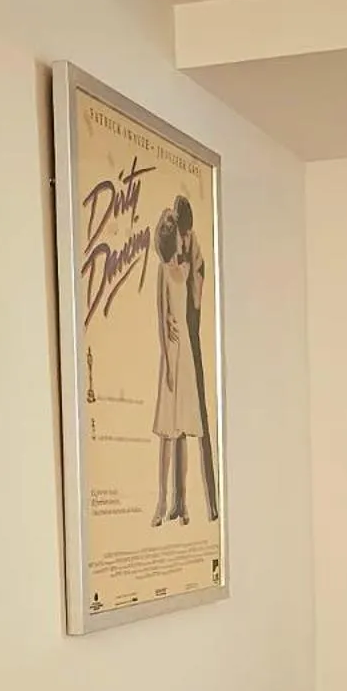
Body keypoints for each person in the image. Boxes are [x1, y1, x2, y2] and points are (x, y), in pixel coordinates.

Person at [150, 203, 213, 526]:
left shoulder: (185, 270)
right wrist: (169, 364)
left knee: (185, 432)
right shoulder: (163, 273)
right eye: (172, 232)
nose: (177, 237)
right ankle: (161, 501)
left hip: (185, 350)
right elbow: (162, 320)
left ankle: (183, 502)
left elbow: (197, 298)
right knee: (167, 433)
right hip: (172, 355)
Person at [171, 195, 219, 523]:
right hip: (180, 343)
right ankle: (179, 501)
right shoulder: (174, 245)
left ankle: (212, 505)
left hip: (192, 338)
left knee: (199, 420)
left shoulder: (194, 248)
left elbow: (196, 294)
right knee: (176, 422)